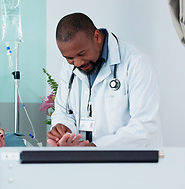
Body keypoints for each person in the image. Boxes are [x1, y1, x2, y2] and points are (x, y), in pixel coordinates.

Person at [47, 12, 162, 147]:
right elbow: (63, 111)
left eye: (82, 54)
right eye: (69, 58)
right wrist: (63, 129)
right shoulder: (70, 67)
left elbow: (145, 126)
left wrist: (95, 148)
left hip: (128, 162)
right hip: (82, 160)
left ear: (96, 37)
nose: (77, 63)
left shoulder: (136, 62)